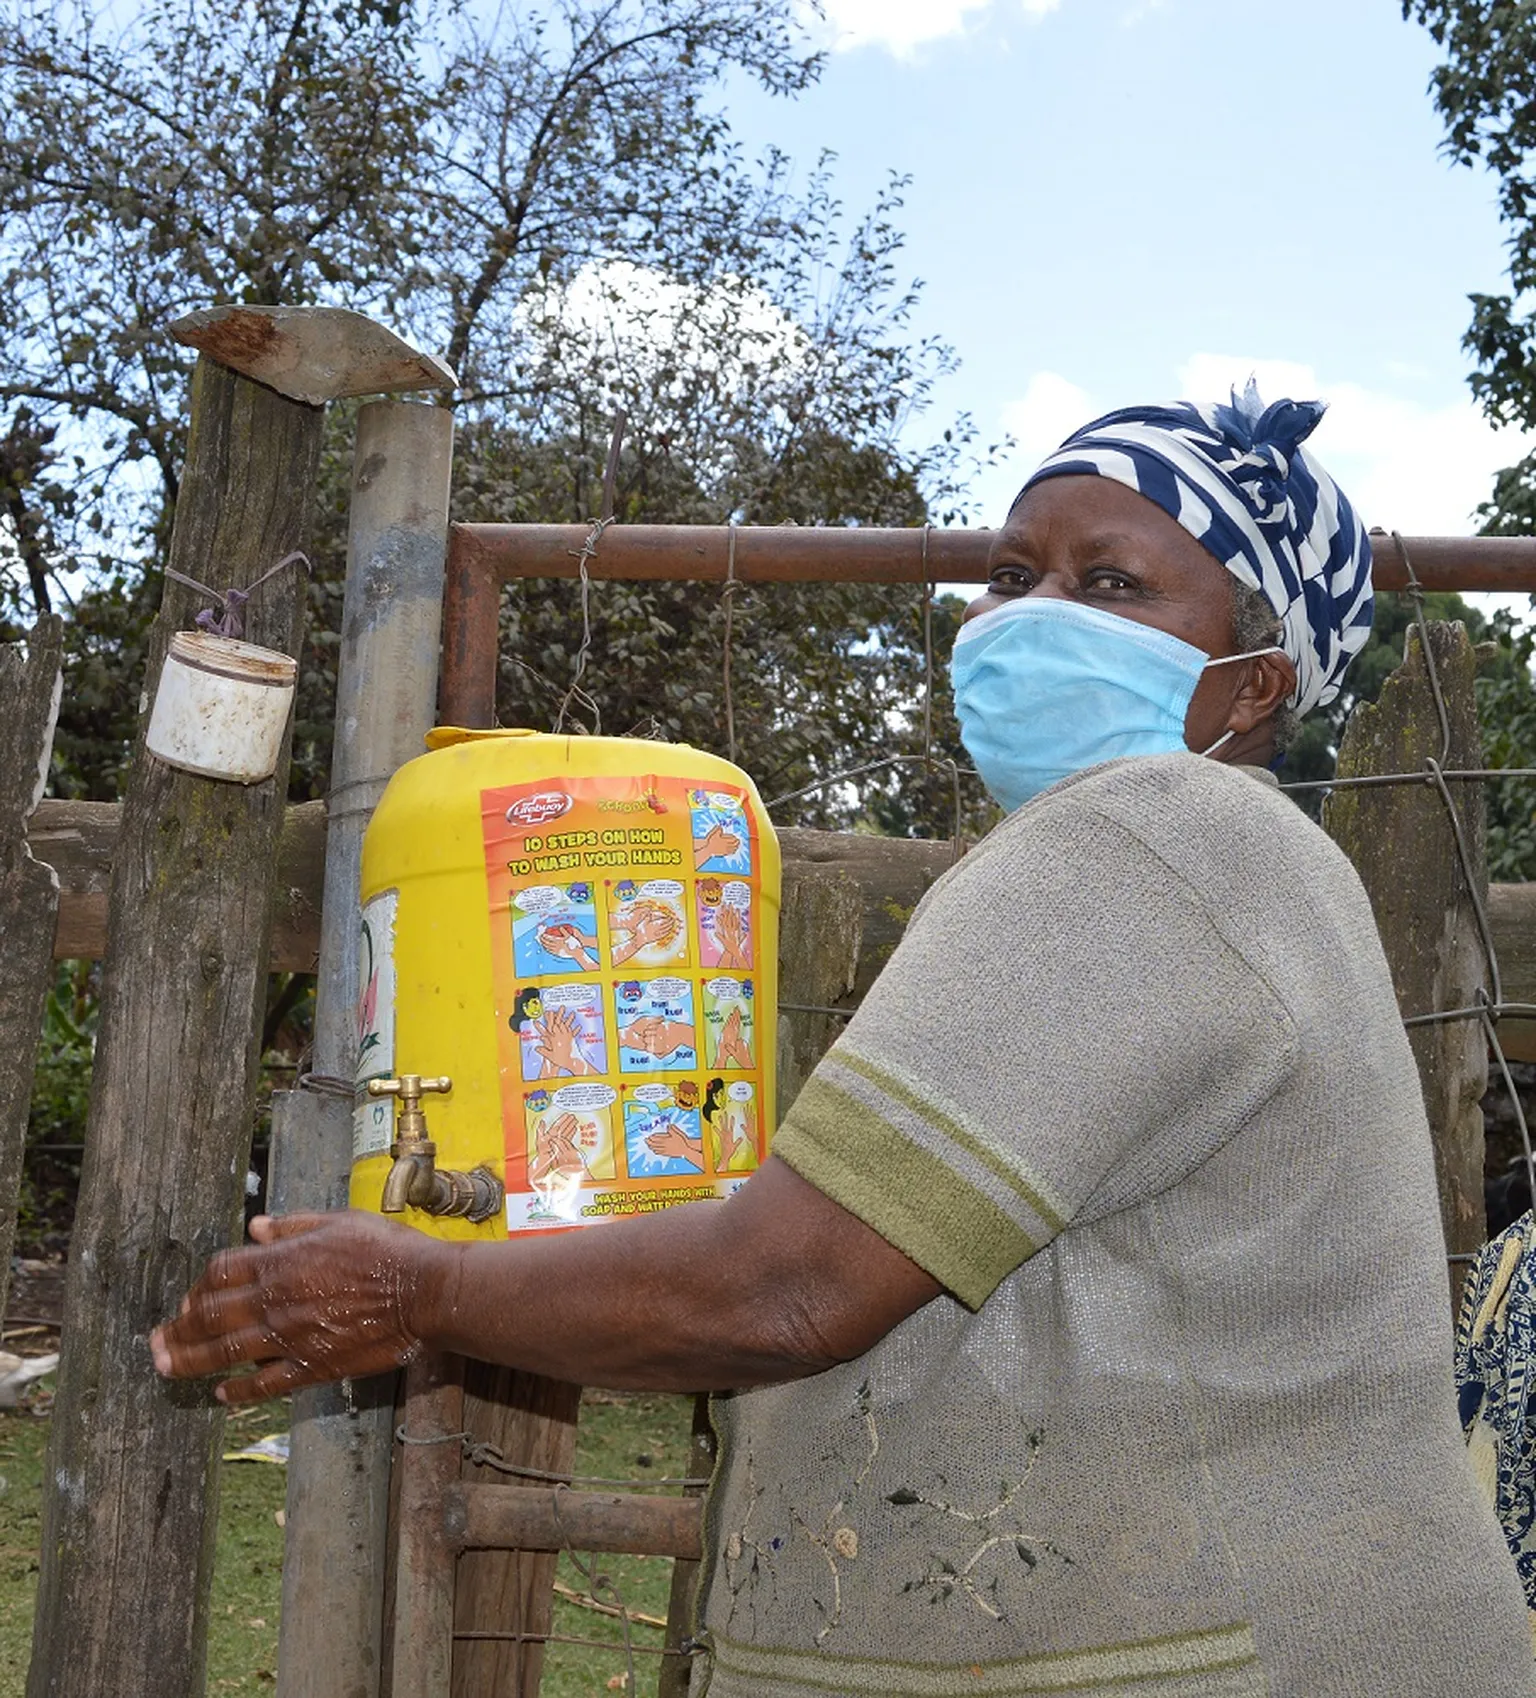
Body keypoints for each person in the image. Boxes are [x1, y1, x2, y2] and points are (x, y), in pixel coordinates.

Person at [153, 386, 1536, 1697]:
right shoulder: (1246, 868)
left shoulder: (1154, 834)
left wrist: (420, 1291)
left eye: (1111, 582)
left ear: (1253, 688)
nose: (1032, 613)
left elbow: (789, 1289)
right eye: (1013, 574)